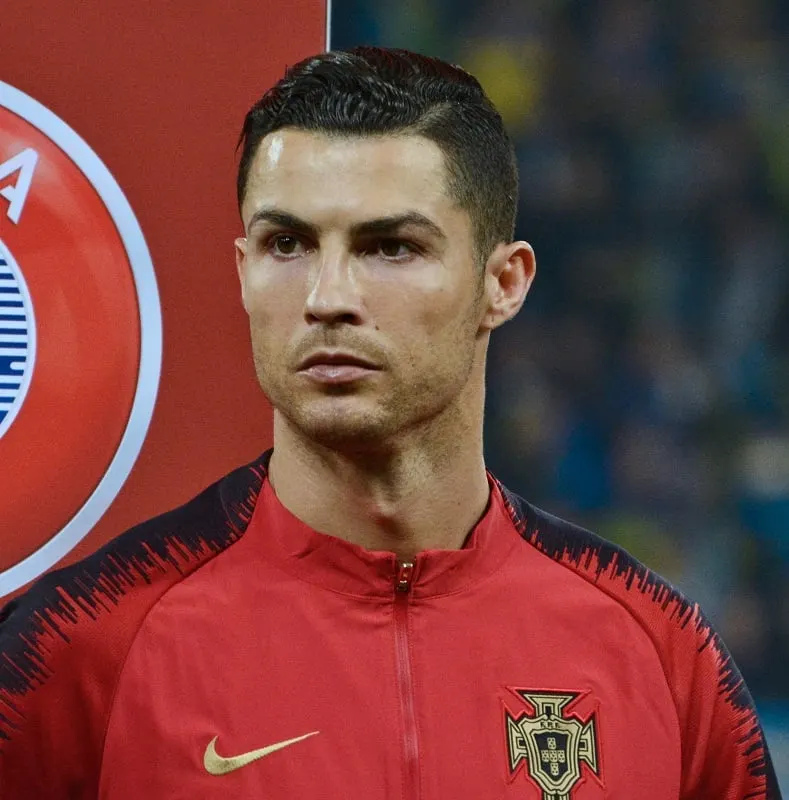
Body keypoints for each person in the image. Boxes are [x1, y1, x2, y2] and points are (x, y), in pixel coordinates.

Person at [0, 47, 780, 800]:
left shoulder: (663, 653)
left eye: (389, 247)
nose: (327, 296)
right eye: (288, 244)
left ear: (502, 283)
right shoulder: (72, 650)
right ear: (242, 274)